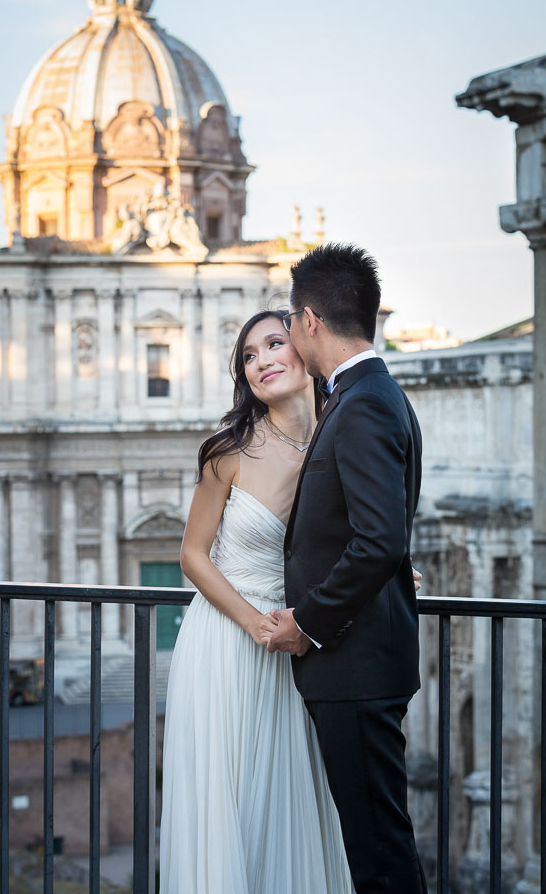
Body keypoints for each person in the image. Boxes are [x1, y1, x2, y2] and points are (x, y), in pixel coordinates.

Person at [159, 307, 422, 893]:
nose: (262, 362)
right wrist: (257, 625)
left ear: (306, 345)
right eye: (249, 356)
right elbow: (193, 556)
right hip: (231, 643)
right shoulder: (227, 450)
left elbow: (361, 538)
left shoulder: (342, 431)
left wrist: (396, 571)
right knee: (231, 807)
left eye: (274, 344)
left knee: (294, 801)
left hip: (304, 647)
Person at [268, 243, 427, 894]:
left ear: (308, 320)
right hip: (362, 665)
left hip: (354, 667)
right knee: (377, 845)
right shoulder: (369, 394)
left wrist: (306, 621)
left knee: (378, 854)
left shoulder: (360, 404)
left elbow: (377, 540)